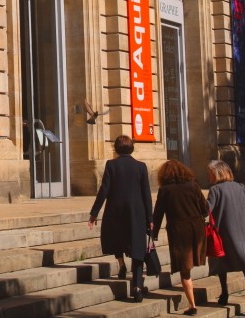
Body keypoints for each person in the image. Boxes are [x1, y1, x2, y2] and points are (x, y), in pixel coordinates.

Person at [89, 134, 153, 303]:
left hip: (115, 211)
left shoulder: (111, 165)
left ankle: (122, 264)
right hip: (136, 212)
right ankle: (137, 286)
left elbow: (104, 190)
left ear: (116, 149)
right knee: (138, 248)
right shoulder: (141, 167)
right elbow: (146, 194)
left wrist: (94, 212)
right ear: (131, 148)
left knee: (118, 238)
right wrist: (150, 217)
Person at [207, 159, 245, 318]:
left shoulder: (215, 190)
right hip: (242, 232)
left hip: (223, 232)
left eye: (210, 172)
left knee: (221, 263)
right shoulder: (240, 187)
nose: (208, 175)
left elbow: (207, 210)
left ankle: (224, 293)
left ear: (217, 173)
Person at [152, 160, 208, 315]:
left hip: (179, 231)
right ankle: (192, 303)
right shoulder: (193, 186)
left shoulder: (165, 190)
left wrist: (153, 234)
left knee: (184, 270)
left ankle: (192, 305)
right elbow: (205, 209)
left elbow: (157, 215)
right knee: (190, 264)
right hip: (197, 230)